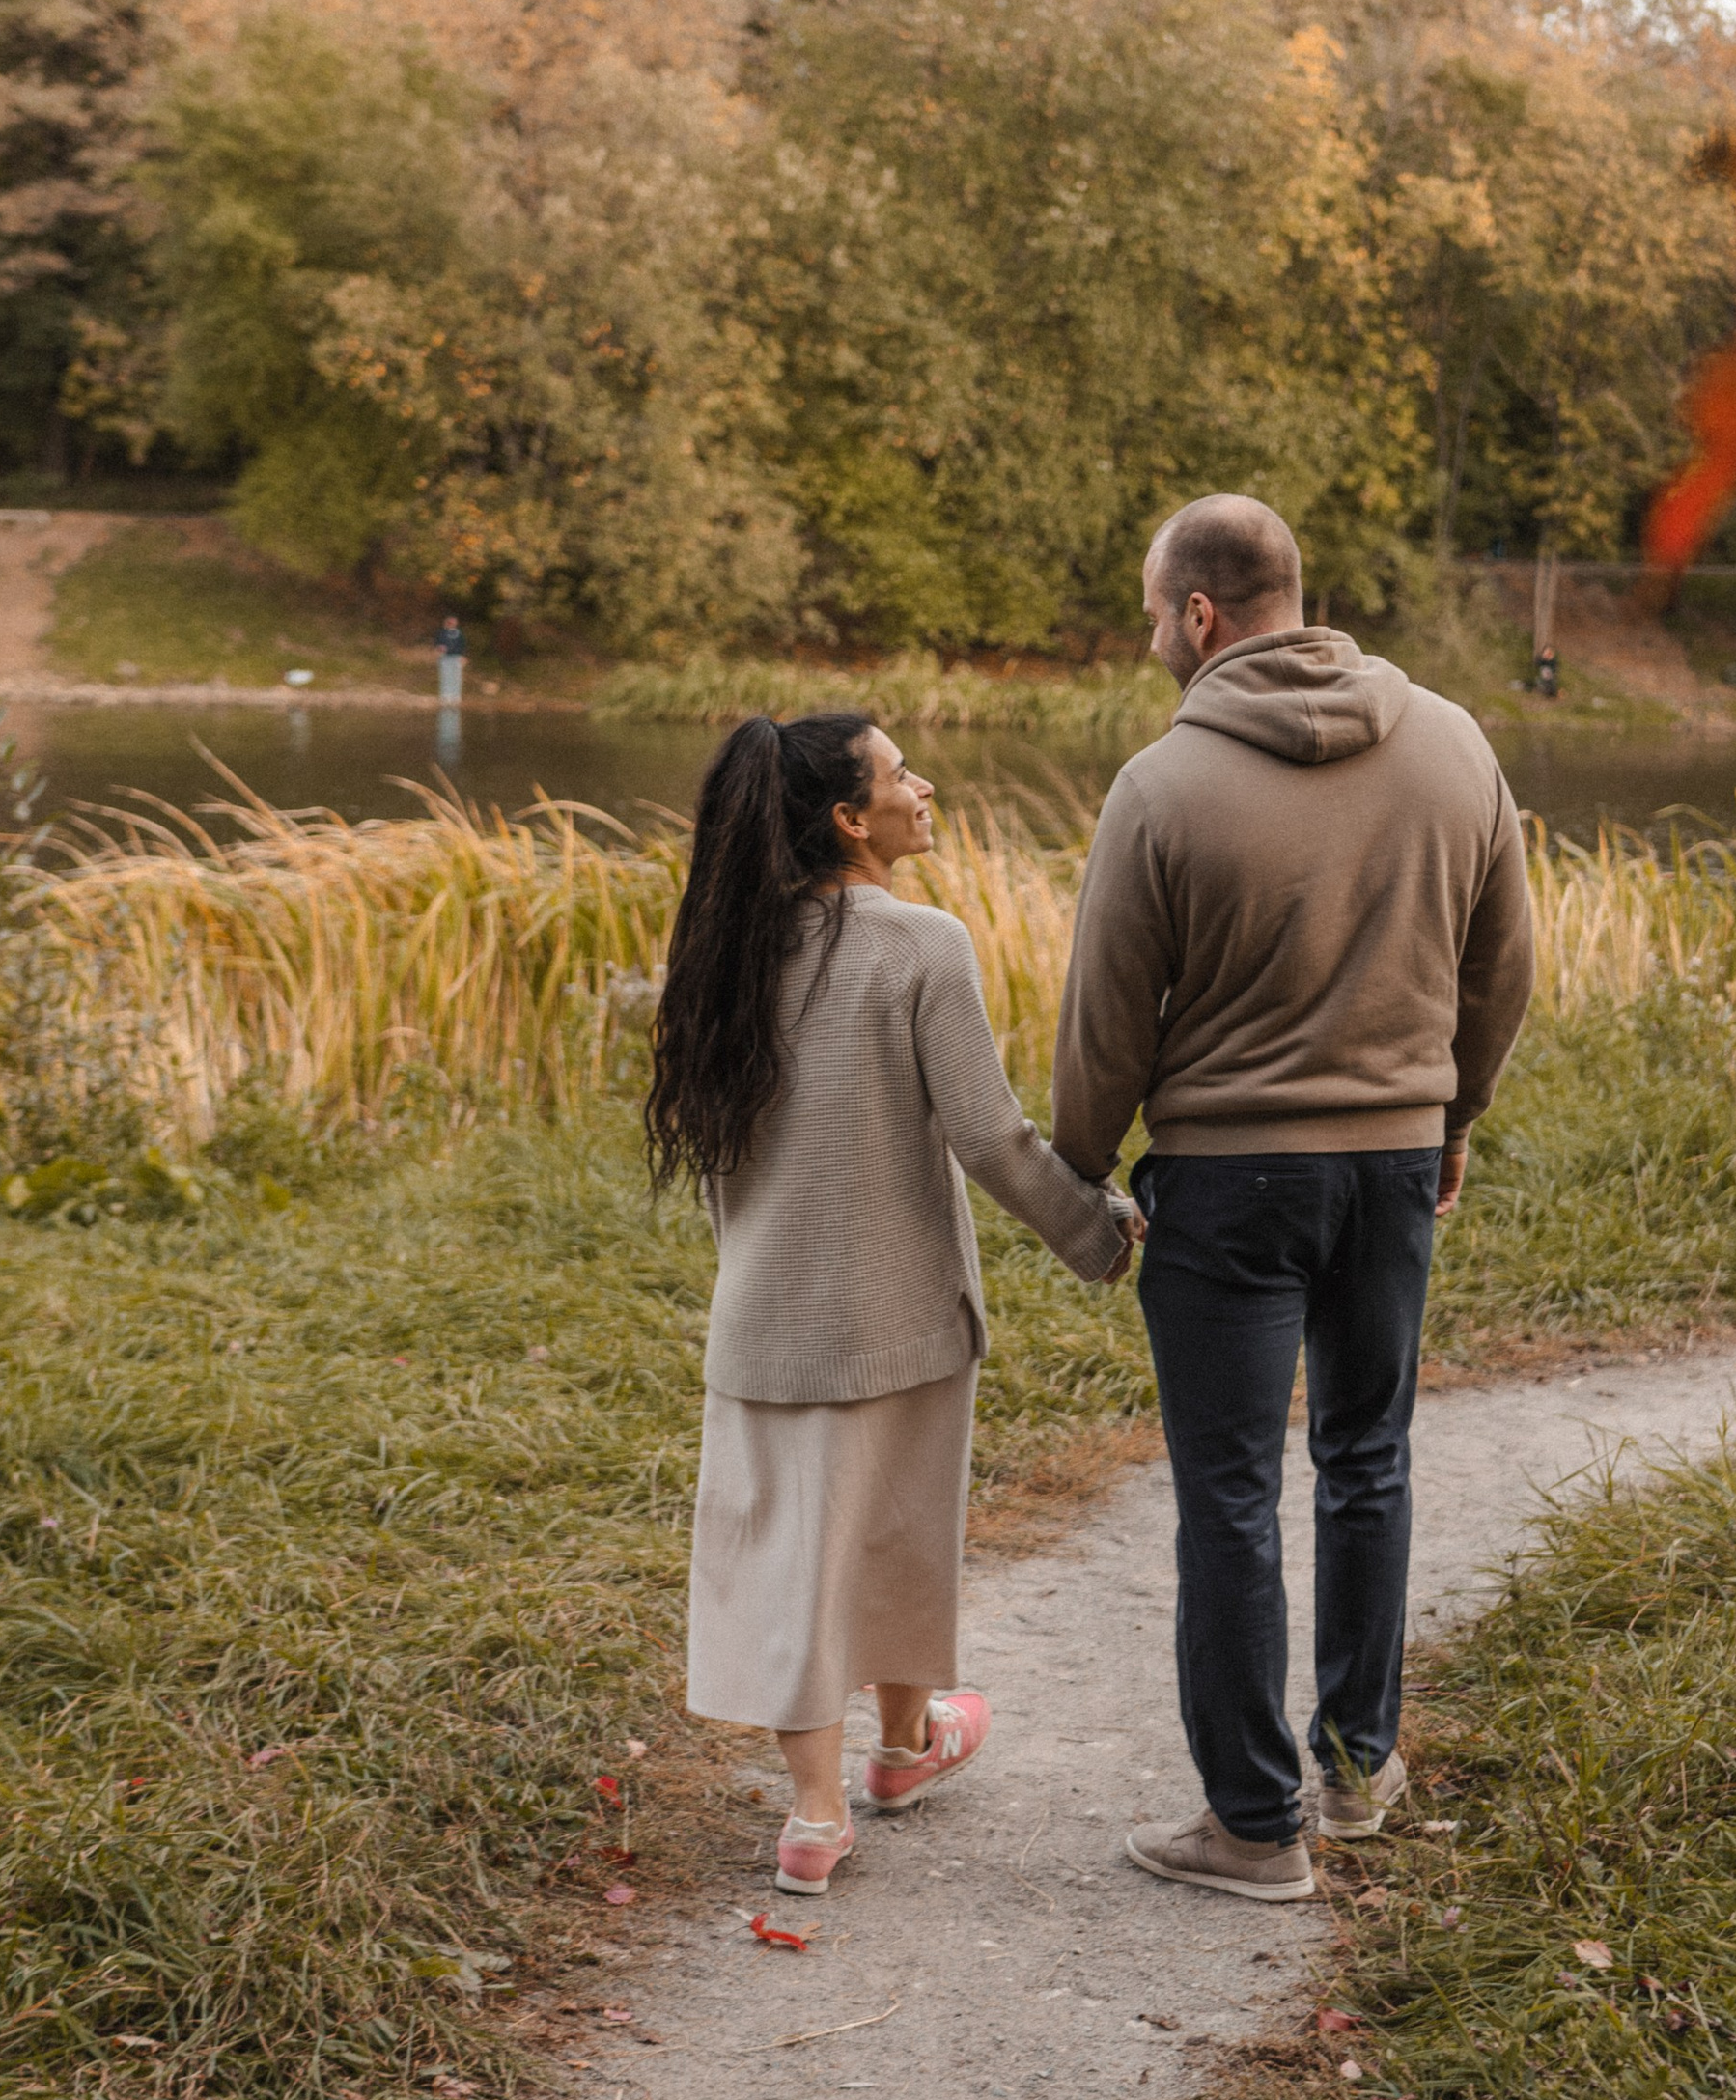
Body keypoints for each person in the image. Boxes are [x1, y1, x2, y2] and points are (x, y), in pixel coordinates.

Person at [1051, 495, 1534, 1903]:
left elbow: (1105, 1024)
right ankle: (1359, 1765)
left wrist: (1083, 1161)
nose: (1157, 636)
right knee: (1369, 1453)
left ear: (1200, 613)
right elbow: (1507, 964)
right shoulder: (1453, 743)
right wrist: (1452, 1112)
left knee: (1229, 1488)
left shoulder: (1161, 783)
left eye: (1157, 614)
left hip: (1228, 1180)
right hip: (1392, 1167)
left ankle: (1254, 1828)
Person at [647, 711, 1137, 1894]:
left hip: (762, 1315)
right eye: (900, 772)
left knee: (790, 1561)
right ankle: (904, 1751)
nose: (927, 783)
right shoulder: (923, 943)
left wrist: (752, 1273)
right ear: (850, 819)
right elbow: (988, 1134)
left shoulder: (722, 953)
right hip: (904, 1310)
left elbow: (722, 1163)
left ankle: (816, 1815)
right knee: (901, 1527)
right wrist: (1097, 1233)